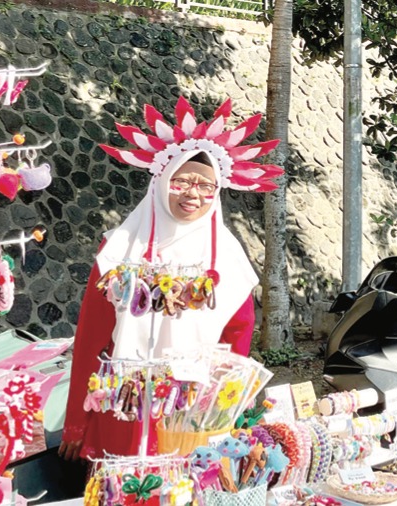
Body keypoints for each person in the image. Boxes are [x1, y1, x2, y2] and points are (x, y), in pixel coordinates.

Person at [60, 96, 281, 460]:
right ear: (162, 181)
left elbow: (238, 336)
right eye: (182, 182)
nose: (193, 194)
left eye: (205, 186)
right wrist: (77, 422)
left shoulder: (227, 255)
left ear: (218, 191)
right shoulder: (120, 247)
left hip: (194, 407)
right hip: (124, 404)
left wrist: (222, 406)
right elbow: (90, 338)